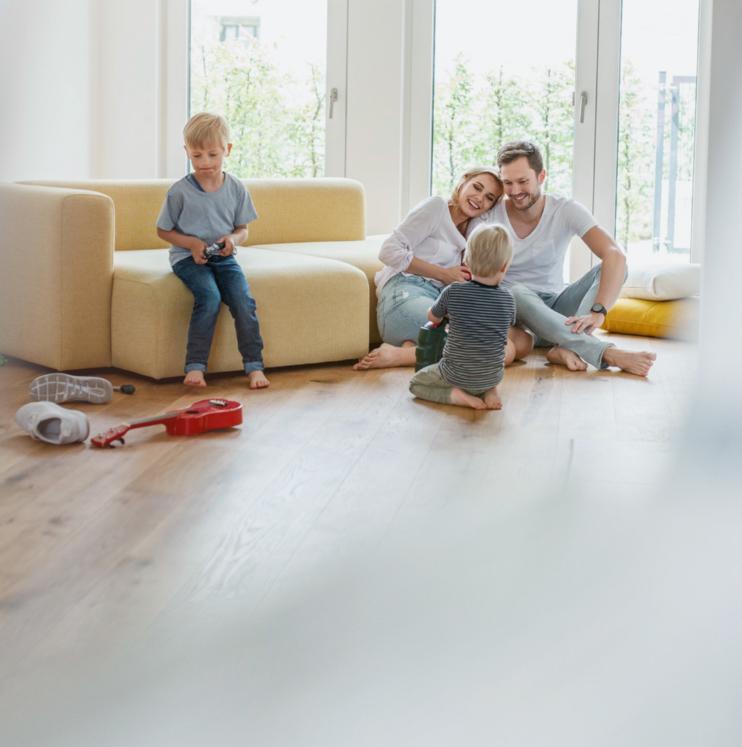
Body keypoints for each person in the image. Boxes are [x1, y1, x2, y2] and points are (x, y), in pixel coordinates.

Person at [474, 140, 656, 377]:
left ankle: (566, 346)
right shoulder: (489, 215)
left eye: (523, 181)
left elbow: (615, 254)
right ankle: (605, 353)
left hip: (558, 311)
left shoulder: (565, 209)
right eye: (508, 183)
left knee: (616, 267)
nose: (515, 190)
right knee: (515, 292)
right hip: (515, 317)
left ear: (541, 176)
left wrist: (598, 311)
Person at [353, 168, 533, 370]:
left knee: (523, 342)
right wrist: (444, 274)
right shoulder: (437, 207)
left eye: (489, 197)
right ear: (463, 182)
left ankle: (413, 350)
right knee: (504, 349)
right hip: (404, 295)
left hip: (438, 304)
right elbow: (388, 251)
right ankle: (398, 356)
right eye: (477, 187)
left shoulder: (473, 230)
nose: (479, 198)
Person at [156, 112, 270, 389]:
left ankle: (254, 366)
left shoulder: (236, 188)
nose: (205, 162)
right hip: (188, 259)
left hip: (223, 258)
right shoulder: (179, 192)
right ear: (187, 152)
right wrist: (193, 244)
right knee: (209, 297)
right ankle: (195, 367)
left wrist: (233, 239)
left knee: (243, 301)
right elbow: (163, 231)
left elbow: (243, 229)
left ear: (227, 150)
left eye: (212, 154)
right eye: (197, 156)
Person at [409, 224, 515, 410]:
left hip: (455, 374)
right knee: (488, 362)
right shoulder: (508, 299)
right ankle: (489, 389)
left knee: (416, 383)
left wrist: (445, 315)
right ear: (504, 266)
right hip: (492, 375)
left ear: (466, 260)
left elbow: (433, 317)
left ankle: (455, 396)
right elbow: (503, 329)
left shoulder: (454, 291)